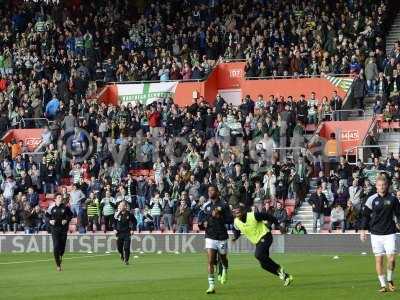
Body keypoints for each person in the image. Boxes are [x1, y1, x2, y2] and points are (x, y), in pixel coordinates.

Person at [232, 204, 293, 286]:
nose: (237, 214)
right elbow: (237, 230)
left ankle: (279, 268)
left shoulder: (254, 215)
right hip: (258, 242)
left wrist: (278, 225)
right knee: (263, 265)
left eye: (238, 212)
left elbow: (268, 216)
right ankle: (286, 276)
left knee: (258, 255)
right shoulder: (236, 221)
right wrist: (235, 237)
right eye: (235, 212)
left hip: (266, 236)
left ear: (243, 211)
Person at [360, 174, 400, 292]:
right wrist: (363, 230)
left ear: (387, 185)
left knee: (392, 259)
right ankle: (383, 285)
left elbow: (398, 213)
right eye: (379, 185)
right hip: (376, 234)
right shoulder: (371, 199)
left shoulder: (393, 199)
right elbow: (365, 216)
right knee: (379, 260)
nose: (381, 187)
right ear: (376, 186)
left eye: (383, 185)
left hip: (389, 233)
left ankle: (389, 279)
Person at [200, 185, 233, 294]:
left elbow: (230, 219)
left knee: (223, 258)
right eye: (209, 190)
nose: (210, 192)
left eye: (212, 190)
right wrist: (202, 223)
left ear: (217, 192)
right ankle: (211, 286)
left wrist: (220, 217)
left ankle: (224, 268)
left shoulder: (224, 205)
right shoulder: (206, 206)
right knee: (210, 260)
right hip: (210, 236)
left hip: (222, 236)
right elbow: (202, 219)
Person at [46, 194, 73, 272]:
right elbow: (46, 215)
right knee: (56, 246)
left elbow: (71, 215)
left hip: (63, 229)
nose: (60, 198)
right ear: (55, 199)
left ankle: (61, 255)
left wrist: (66, 220)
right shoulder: (51, 207)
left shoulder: (65, 207)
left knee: (62, 247)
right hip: (54, 229)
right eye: (59, 197)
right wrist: (50, 221)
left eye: (61, 197)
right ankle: (58, 265)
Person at [114, 201, 134, 265]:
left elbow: (134, 222)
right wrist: (114, 229)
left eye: (121, 205)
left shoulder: (129, 214)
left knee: (126, 247)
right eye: (119, 205)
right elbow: (114, 222)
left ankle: (126, 260)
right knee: (119, 248)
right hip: (119, 233)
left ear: (125, 206)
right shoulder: (117, 214)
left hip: (127, 233)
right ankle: (121, 254)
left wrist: (132, 229)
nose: (120, 206)